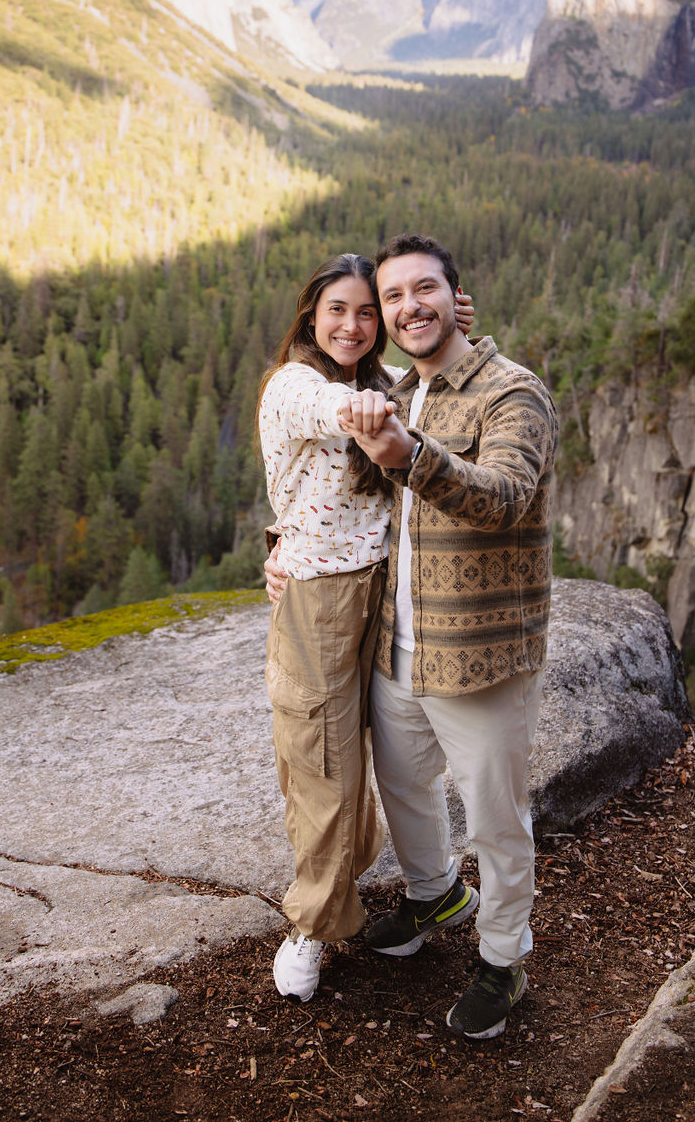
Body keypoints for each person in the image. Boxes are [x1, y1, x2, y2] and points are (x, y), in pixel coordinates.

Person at [339, 233, 557, 1041]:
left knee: (497, 818)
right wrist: (285, 552)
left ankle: (504, 958)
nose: (407, 307)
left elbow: (504, 494)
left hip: (482, 656)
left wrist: (410, 453)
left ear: (455, 296)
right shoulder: (403, 388)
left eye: (422, 289)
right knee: (403, 786)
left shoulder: (513, 392)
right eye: (393, 298)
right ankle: (433, 893)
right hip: (401, 645)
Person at [256, 253, 474, 1003]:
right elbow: (321, 414)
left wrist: (439, 337)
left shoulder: (381, 385)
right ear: (311, 316)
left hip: (386, 588)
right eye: (337, 310)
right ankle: (313, 925)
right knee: (322, 763)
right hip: (318, 602)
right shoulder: (298, 384)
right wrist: (360, 410)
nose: (352, 324)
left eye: (365, 312)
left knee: (387, 752)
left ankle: (416, 885)